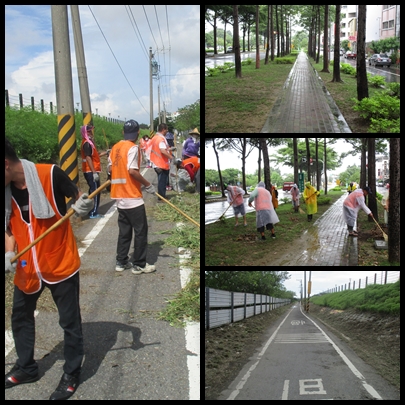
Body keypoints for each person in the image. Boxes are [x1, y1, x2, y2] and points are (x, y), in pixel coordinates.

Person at [5, 137, 94, 400]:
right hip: (27, 268)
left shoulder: (50, 174)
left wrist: (83, 206)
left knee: (69, 321)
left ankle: (71, 372)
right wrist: (9, 252)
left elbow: (80, 197)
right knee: (20, 317)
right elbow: (8, 228)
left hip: (59, 263)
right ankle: (26, 368)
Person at [108, 119, 156, 273]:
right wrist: (147, 184)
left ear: (123, 132)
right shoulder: (133, 148)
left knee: (124, 231)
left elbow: (109, 168)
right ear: (137, 133)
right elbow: (133, 171)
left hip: (119, 197)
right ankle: (139, 264)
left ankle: (121, 262)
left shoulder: (115, 147)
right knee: (141, 231)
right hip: (132, 197)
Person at [80, 124, 109, 218]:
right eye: (90, 131)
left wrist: (106, 152)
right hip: (90, 171)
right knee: (96, 191)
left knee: (93, 191)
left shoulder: (90, 143)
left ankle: (91, 210)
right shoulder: (87, 143)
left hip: (90, 170)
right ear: (86, 132)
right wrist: (94, 173)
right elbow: (88, 158)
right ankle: (93, 212)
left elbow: (95, 156)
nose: (92, 132)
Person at [149, 123, 174, 201]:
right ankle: (162, 197)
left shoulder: (154, 138)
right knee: (162, 182)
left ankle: (161, 196)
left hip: (155, 163)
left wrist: (169, 149)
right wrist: (171, 157)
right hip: (161, 164)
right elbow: (162, 151)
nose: (167, 131)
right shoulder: (161, 139)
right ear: (163, 129)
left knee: (161, 181)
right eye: (166, 129)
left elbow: (159, 149)